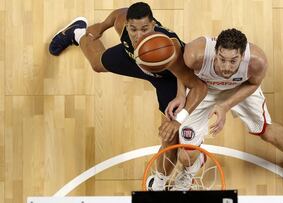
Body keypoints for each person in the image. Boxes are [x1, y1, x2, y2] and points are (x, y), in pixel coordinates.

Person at [49, 2, 207, 191]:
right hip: (133, 60)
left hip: (167, 79)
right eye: (133, 29)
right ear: (128, 26)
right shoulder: (124, 25)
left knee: (171, 139)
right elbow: (119, 14)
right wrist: (101, 25)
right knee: (97, 64)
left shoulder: (168, 47)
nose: (139, 36)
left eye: (145, 29)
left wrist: (178, 118)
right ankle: (77, 32)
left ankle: (160, 182)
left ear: (153, 26)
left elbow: (197, 85)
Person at [152, 28, 283, 195]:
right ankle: (190, 171)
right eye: (222, 59)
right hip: (203, 89)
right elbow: (182, 73)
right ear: (216, 51)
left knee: (266, 131)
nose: (226, 67)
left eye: (233, 61)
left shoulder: (257, 61)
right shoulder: (195, 54)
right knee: (185, 155)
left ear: (242, 56)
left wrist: (225, 106)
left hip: (240, 88)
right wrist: (181, 94)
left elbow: (253, 84)